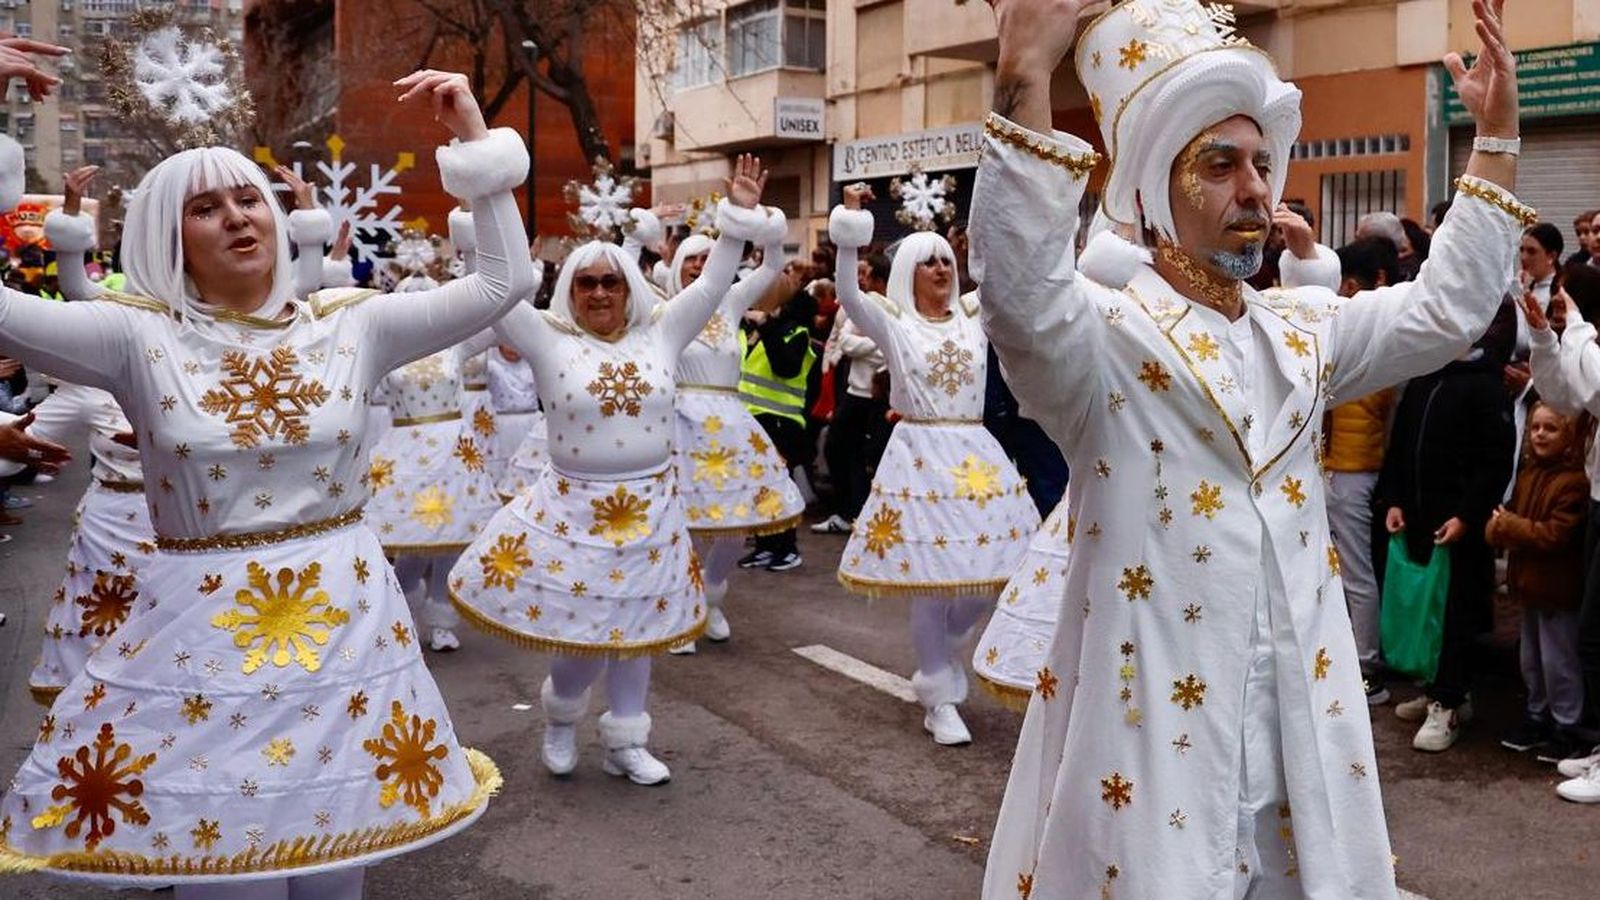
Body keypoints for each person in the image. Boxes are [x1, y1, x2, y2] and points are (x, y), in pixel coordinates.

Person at [969, 0, 1527, 895]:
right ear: (1159, 188)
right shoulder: (1105, 338)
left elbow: (1445, 310)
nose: (1256, 190)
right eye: (1220, 165)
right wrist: (1025, 75)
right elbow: (1021, 292)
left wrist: (1493, 141)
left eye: (1263, 164)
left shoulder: (1303, 331)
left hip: (1301, 726)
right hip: (1156, 728)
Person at [0, 68, 533, 898]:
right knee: (227, 868)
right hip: (203, 635)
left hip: (344, 624)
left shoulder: (353, 322)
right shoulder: (134, 337)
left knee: (336, 866)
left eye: (248, 200)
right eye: (205, 208)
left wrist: (475, 144)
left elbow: (503, 285)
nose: (236, 218)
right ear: (168, 237)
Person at [447, 155, 773, 786]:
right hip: (573, 512)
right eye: (586, 283)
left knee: (640, 629)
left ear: (630, 287)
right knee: (583, 636)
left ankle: (627, 737)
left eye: (611, 282)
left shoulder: (662, 334)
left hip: (651, 509)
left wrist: (736, 222)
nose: (599, 292)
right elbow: (493, 286)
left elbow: (712, 287)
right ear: (569, 291)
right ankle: (562, 716)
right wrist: (486, 207)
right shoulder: (546, 338)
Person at [831, 184, 1040, 746]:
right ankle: (937, 692)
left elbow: (1012, 283)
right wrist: (852, 225)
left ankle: (944, 649)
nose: (939, 268)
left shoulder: (974, 316)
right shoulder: (894, 323)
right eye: (926, 261)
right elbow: (849, 294)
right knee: (930, 580)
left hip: (976, 455)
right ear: (907, 271)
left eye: (945, 259)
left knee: (996, 571)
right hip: (920, 456)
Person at [664, 212, 803, 653]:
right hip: (680, 425)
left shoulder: (730, 303)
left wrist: (772, 232)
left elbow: (769, 268)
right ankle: (681, 612)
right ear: (676, 266)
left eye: (707, 258)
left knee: (735, 523)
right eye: (691, 258)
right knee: (681, 523)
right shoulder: (660, 309)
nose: (699, 265)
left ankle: (713, 593)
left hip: (730, 423)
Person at [1323, 236, 1403, 705]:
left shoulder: (1378, 332)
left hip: (1356, 468)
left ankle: (1366, 663)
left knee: (1356, 572)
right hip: (1336, 465)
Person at [1487, 399, 1589, 762]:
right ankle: (1537, 714)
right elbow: (1513, 514)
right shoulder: (1529, 473)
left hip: (1557, 591)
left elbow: (1554, 536)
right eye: (1535, 428)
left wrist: (1510, 527)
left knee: (1559, 661)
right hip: (1528, 586)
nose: (1540, 435)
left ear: (1569, 435)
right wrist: (1498, 528)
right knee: (1531, 658)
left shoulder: (1574, 482)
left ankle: (1567, 724)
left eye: (1551, 428)